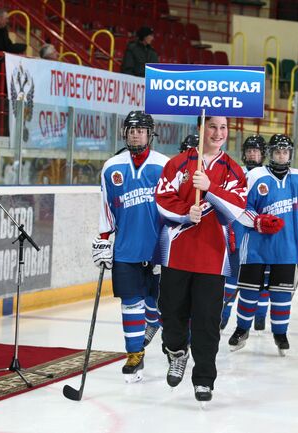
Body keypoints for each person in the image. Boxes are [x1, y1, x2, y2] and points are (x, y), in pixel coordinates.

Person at [155, 116, 246, 402]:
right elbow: (161, 198)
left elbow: (236, 209)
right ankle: (176, 351)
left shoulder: (233, 170)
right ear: (201, 128)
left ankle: (204, 377)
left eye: (223, 128)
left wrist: (209, 187)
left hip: (213, 257)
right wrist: (185, 212)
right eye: (213, 126)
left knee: (207, 321)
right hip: (176, 254)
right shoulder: (177, 164)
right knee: (170, 314)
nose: (218, 133)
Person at [92, 111, 168, 383]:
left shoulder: (164, 165)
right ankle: (134, 355)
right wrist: (103, 239)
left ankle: (153, 324)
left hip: (159, 249)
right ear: (124, 133)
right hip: (126, 248)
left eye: (141, 129)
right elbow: (107, 208)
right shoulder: (112, 166)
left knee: (158, 304)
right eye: (131, 129)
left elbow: (173, 208)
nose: (135, 133)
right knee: (130, 303)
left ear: (150, 133)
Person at [228, 134, 298, 354]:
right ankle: (242, 328)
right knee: (248, 292)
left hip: (287, 248)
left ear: (291, 154)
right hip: (255, 247)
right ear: (270, 154)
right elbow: (241, 208)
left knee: (281, 295)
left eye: (285, 152)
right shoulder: (256, 176)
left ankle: (280, 333)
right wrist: (258, 221)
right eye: (277, 152)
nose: (281, 155)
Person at [220, 135, 270, 332]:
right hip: (236, 237)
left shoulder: (268, 176)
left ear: (263, 154)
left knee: (261, 282)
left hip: (259, 240)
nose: (252, 154)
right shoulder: (234, 174)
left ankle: (260, 315)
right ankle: (223, 315)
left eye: (256, 150)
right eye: (249, 150)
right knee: (231, 280)